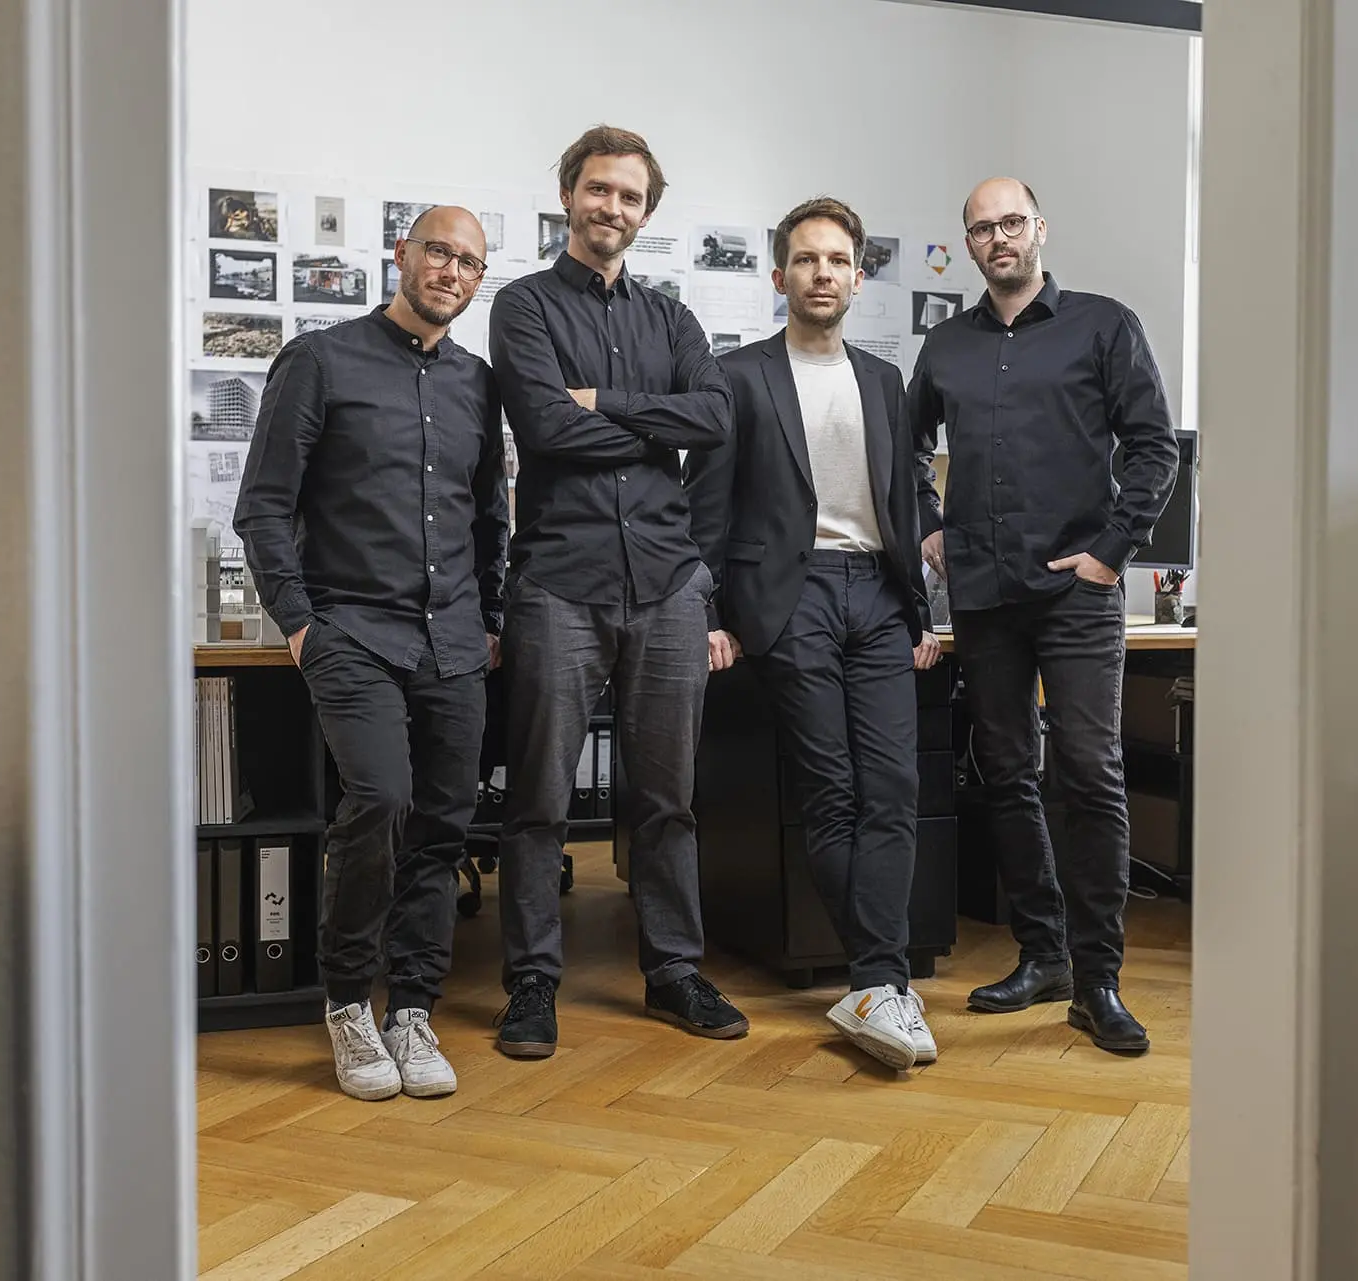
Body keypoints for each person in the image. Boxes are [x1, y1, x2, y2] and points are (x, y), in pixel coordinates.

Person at [233, 207, 506, 1100]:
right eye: (438, 251)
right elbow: (263, 505)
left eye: (469, 262)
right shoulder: (320, 360)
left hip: (454, 640)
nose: (451, 271)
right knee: (381, 799)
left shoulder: (478, 383)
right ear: (401, 254)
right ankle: (349, 1001)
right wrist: (298, 621)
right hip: (352, 630)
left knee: (442, 825)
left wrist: (490, 618)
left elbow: (489, 519)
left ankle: (413, 1007)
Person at [487, 125, 746, 1057]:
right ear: (569, 195)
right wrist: (648, 424)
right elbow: (546, 429)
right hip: (560, 581)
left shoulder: (673, 321)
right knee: (539, 799)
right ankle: (532, 983)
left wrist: (606, 402)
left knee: (667, 799)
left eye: (630, 196)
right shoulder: (521, 306)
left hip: (669, 585)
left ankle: (674, 969)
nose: (613, 208)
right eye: (599, 189)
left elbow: (715, 418)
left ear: (646, 213)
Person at [908, 178, 1178, 1054]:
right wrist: (928, 523)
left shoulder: (1104, 325)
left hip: (1075, 595)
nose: (999, 238)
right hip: (984, 597)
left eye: (1012, 222)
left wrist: (1111, 550)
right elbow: (906, 449)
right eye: (983, 228)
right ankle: (1044, 955)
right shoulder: (947, 345)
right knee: (1006, 773)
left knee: (1090, 772)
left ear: (1039, 229)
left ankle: (1100, 980)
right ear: (970, 243)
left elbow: (1154, 447)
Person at [686, 196, 943, 1071]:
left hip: (878, 595)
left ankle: (878, 984)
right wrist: (713, 613)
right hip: (789, 600)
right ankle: (884, 980)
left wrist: (919, 611)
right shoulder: (738, 375)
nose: (821, 273)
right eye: (806, 259)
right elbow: (708, 506)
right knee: (831, 791)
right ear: (780, 275)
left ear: (858, 278)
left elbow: (901, 501)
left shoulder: (883, 379)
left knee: (895, 786)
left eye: (836, 260)